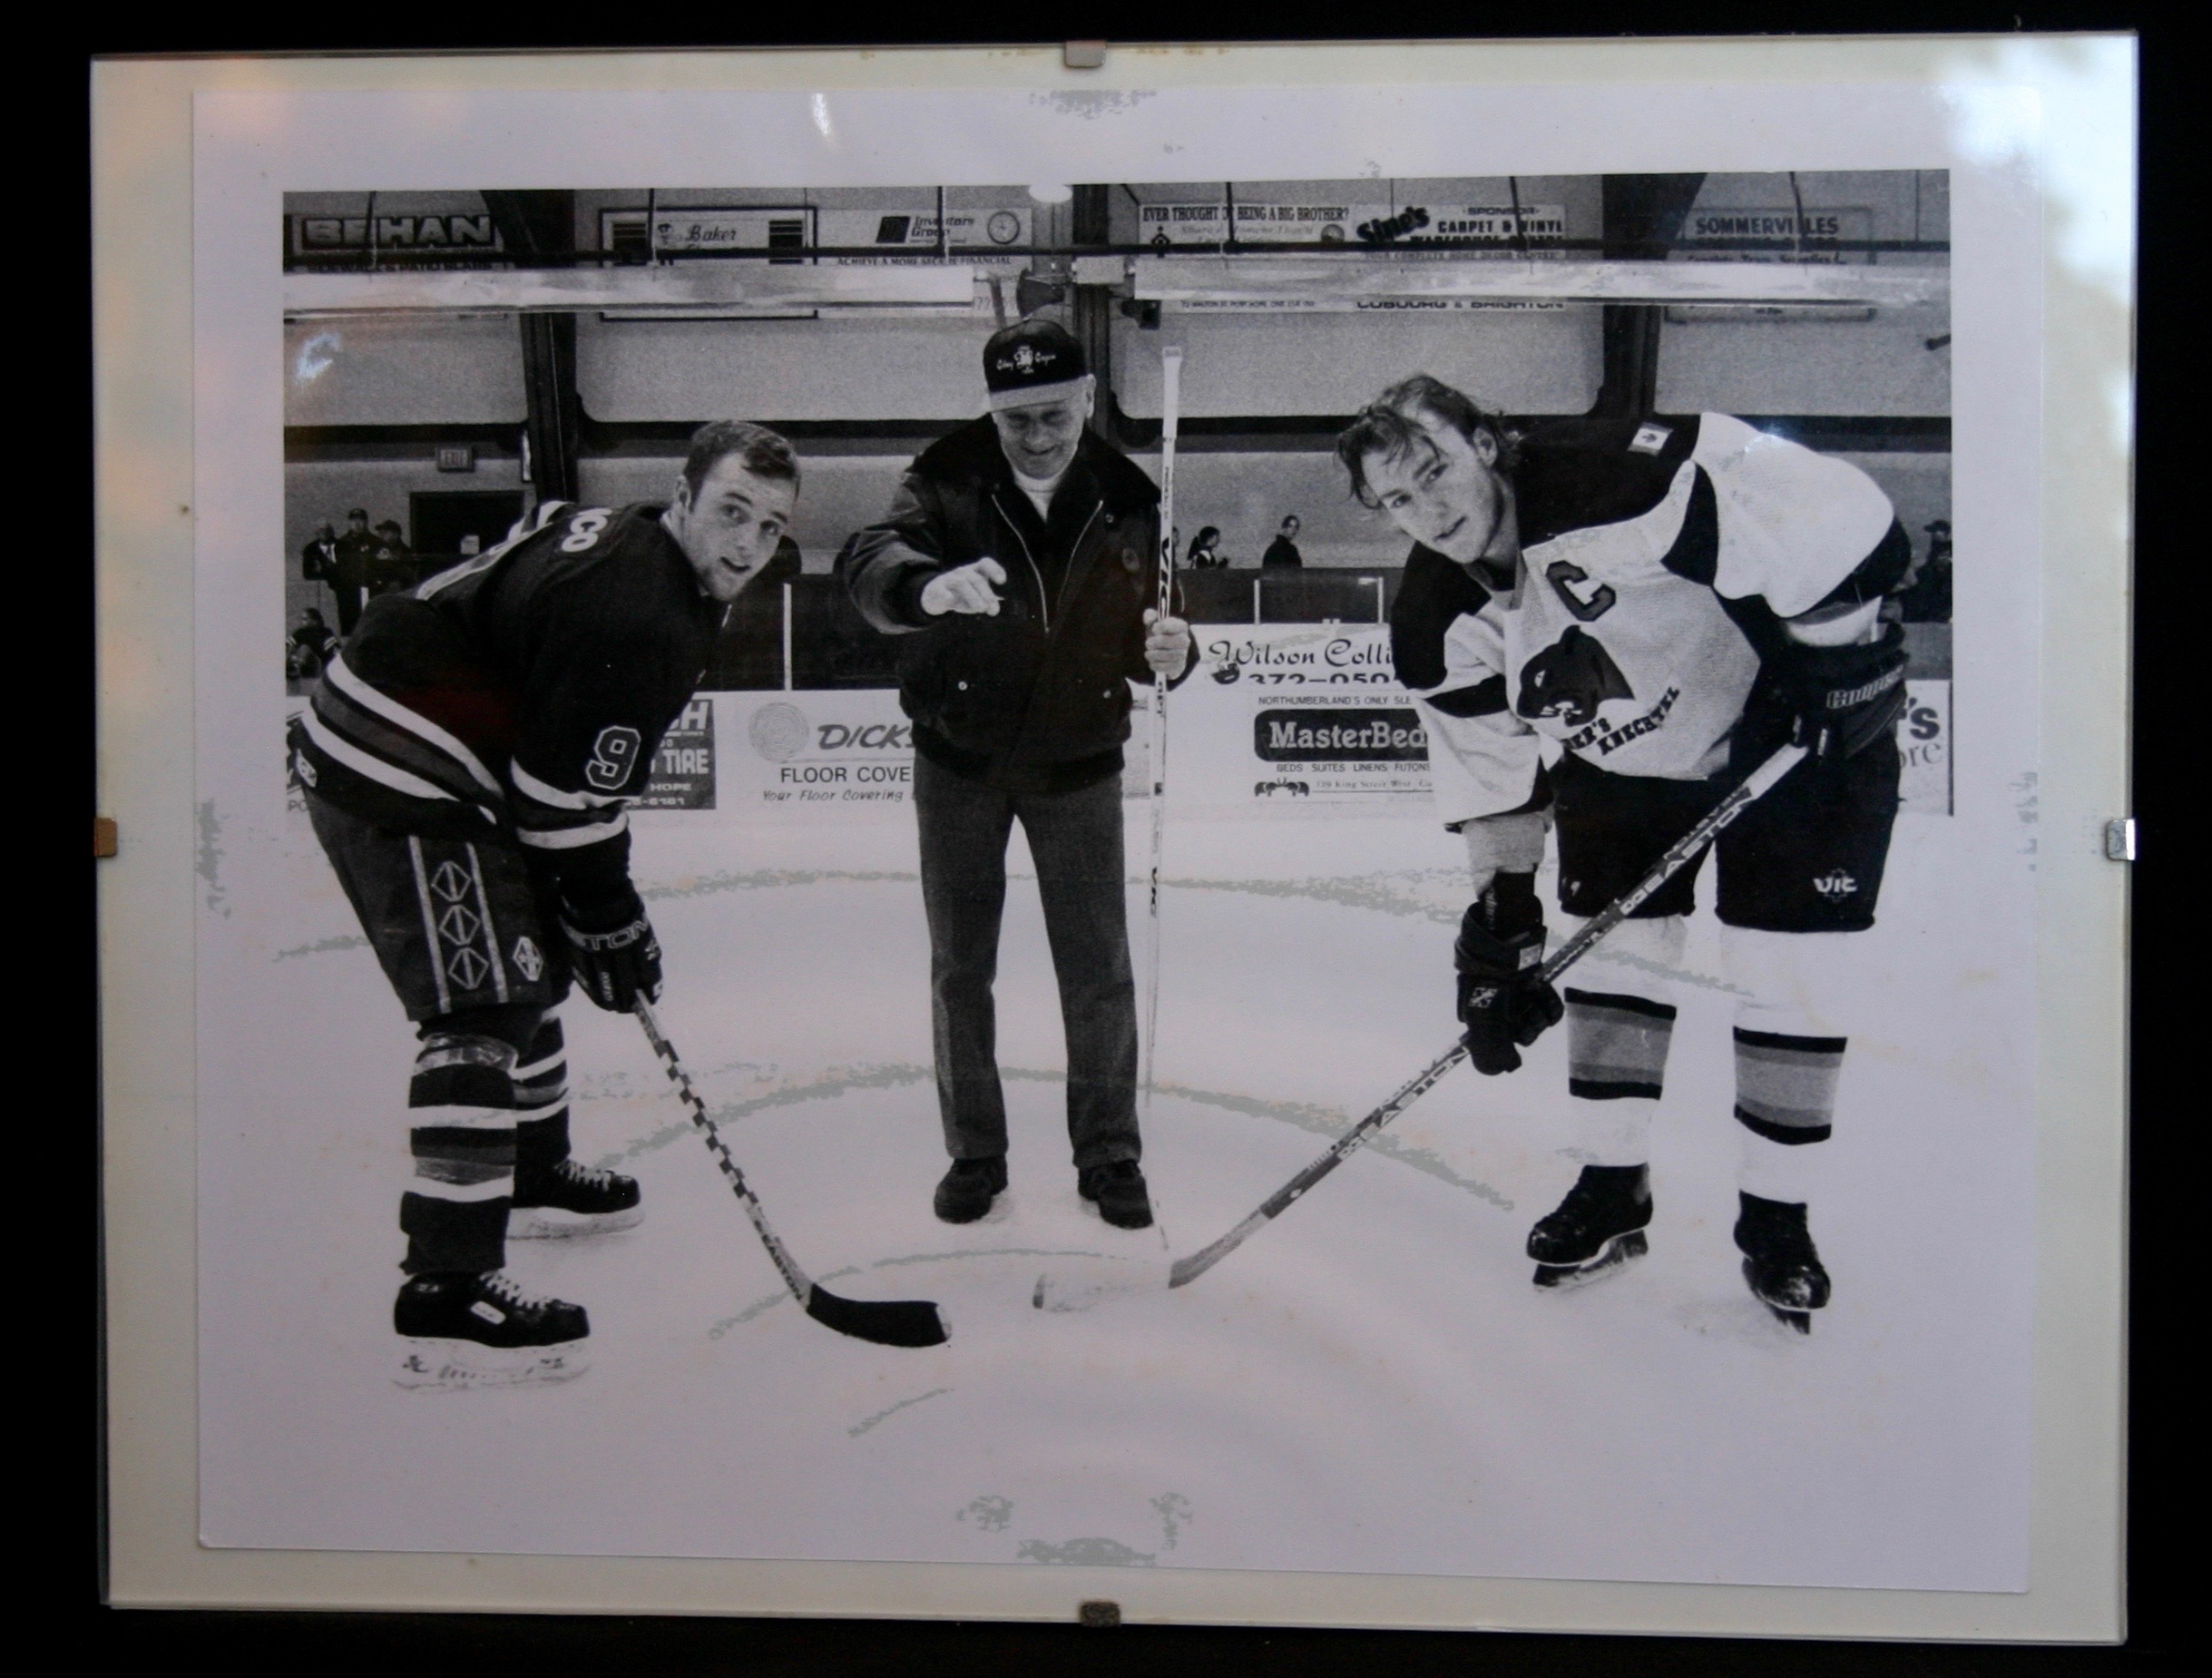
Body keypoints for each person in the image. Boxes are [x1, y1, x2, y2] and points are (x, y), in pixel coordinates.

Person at [1335, 377, 1912, 1332]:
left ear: (1488, 442)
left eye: (1435, 471)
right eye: (1396, 499)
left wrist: (1836, 657)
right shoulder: (1436, 624)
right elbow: (1496, 779)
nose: (1426, 511)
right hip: (1621, 754)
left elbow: (1847, 521)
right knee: (1616, 962)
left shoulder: (1620, 487)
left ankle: (1776, 1218)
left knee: (1787, 972)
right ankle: (1611, 1190)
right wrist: (1499, 925)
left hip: (1787, 728)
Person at [287, 421, 801, 1387]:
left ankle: (529, 1168)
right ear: (683, 497)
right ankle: (446, 1280)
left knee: (530, 957)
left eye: (769, 527)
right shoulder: (641, 613)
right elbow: (562, 801)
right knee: (481, 1002)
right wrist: (612, 912)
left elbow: (555, 781)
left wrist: (590, 913)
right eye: (731, 511)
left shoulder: (635, 542)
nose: (746, 543)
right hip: (400, 756)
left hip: (423, 730)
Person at [837, 318, 1194, 1231]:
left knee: (1098, 970)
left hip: (1077, 764)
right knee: (960, 967)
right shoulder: (940, 478)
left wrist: (1174, 648)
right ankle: (975, 1152)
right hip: (959, 759)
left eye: (1051, 414)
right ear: (989, 414)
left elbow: (1159, 623)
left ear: (1083, 397)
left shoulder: (1128, 495)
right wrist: (922, 586)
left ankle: (1109, 1155)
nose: (1035, 437)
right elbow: (868, 557)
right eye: (1013, 421)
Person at [328, 507, 380, 634]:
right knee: (349, 624)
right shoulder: (341, 544)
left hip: (368, 588)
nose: (357, 524)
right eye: (353, 521)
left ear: (366, 522)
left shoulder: (375, 542)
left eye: (360, 520)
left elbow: (380, 567)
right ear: (349, 523)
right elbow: (334, 568)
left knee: (369, 622)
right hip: (348, 591)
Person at [287, 606, 339, 681]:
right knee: (292, 649)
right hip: (301, 671)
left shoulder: (325, 633)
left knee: (305, 649)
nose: (302, 622)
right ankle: (294, 669)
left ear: (315, 621)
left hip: (319, 669)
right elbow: (287, 646)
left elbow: (333, 652)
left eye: (305, 619)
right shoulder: (300, 633)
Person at [370, 519, 416, 595]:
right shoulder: (375, 549)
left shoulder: (405, 552)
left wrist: (393, 560)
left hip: (398, 591)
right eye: (380, 532)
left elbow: (410, 574)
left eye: (385, 532)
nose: (381, 535)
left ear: (395, 534)